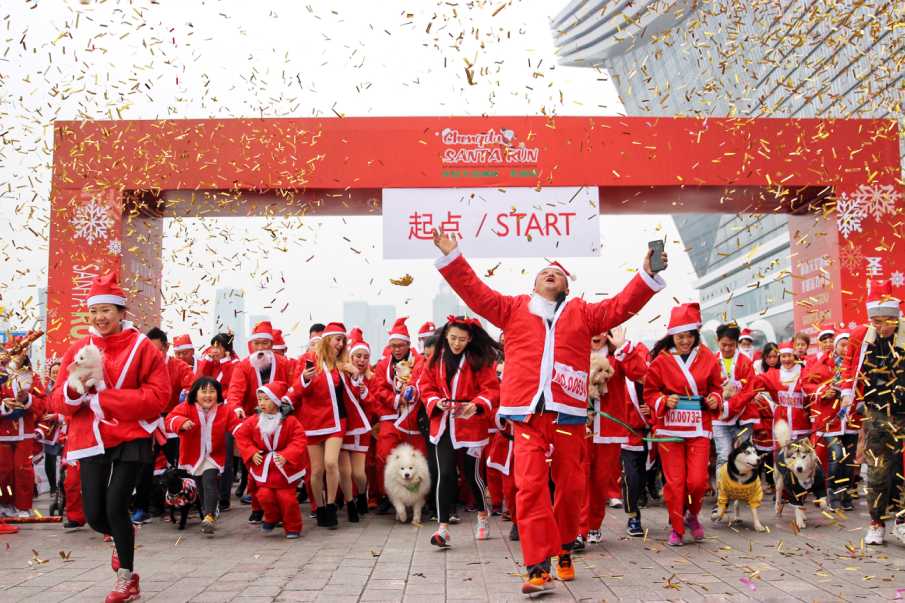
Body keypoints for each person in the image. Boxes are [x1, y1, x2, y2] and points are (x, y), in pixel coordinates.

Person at [431, 226, 666, 594]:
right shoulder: (512, 308)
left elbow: (621, 305)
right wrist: (453, 257)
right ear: (534, 285)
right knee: (529, 487)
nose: (549, 273)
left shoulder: (584, 313)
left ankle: (566, 547)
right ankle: (538, 566)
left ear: (566, 285)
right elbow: (476, 294)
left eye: (556, 272)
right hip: (525, 416)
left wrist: (647, 275)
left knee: (571, 488)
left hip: (569, 416)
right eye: (543, 272)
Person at [51, 273, 170, 603]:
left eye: (107, 310)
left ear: (121, 312)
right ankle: (124, 536)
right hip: (91, 438)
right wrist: (78, 390)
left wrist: (106, 399)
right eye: (94, 311)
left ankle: (126, 579)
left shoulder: (142, 347)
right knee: (93, 515)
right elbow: (58, 402)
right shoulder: (79, 348)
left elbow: (159, 395)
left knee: (117, 505)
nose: (100, 317)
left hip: (131, 435)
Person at [410, 316, 501, 547]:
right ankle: (443, 529)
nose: (457, 343)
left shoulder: (478, 359)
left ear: (470, 338)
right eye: (452, 338)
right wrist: (434, 401)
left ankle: (482, 516)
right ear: (446, 336)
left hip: (470, 423)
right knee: (445, 474)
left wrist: (478, 403)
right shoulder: (435, 361)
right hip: (443, 423)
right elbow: (425, 386)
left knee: (472, 475)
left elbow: (491, 389)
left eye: (462, 339)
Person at [644, 303, 723, 546]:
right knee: (675, 482)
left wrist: (714, 398)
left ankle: (692, 514)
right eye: (680, 336)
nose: (685, 341)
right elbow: (649, 392)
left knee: (697, 481)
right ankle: (677, 529)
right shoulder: (661, 359)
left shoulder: (707, 356)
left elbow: (717, 388)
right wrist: (664, 400)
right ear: (672, 336)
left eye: (690, 336)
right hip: (670, 429)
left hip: (698, 427)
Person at [286, 322, 370, 528]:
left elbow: (352, 396)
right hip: (312, 422)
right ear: (327, 340)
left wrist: (355, 375)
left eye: (343, 340)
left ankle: (331, 505)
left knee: (331, 463)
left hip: (337, 421)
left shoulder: (342, 364)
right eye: (337, 339)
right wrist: (304, 380)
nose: (341, 344)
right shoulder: (307, 362)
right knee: (316, 470)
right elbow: (296, 392)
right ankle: (320, 507)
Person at [840, 280, 904, 545]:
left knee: (903, 469)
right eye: (877, 321)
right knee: (877, 473)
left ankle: (901, 520)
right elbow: (848, 365)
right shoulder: (860, 335)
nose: (884, 326)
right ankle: (876, 523)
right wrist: (846, 396)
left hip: (903, 413)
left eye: (889, 320)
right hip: (875, 414)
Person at [583, 327, 648, 542]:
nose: (597, 335)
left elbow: (639, 373)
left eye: (602, 330)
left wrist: (624, 348)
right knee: (579, 479)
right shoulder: (574, 353)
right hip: (579, 428)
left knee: (600, 481)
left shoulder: (617, 357)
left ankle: (593, 526)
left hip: (609, 430)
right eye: (593, 329)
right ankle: (579, 530)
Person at [227, 322, 293, 522]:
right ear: (251, 344)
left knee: (278, 467)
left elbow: (294, 386)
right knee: (254, 467)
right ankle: (257, 507)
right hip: (253, 421)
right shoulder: (244, 365)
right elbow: (235, 391)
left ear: (272, 345)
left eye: (265, 343)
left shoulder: (284, 363)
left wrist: (288, 404)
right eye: (256, 343)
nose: (261, 348)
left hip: (280, 421)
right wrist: (236, 408)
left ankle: (278, 508)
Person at [132, 327, 197, 524]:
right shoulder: (140, 368)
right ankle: (143, 508)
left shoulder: (180, 367)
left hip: (173, 423)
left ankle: (187, 503)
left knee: (181, 466)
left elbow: (192, 391)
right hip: (148, 423)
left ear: (166, 347)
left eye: (157, 350)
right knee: (144, 467)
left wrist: (178, 411)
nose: (152, 355)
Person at [167, 377, 243, 534]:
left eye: (212, 391)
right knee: (200, 485)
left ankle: (209, 515)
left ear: (218, 394)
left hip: (214, 454)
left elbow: (235, 426)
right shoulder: (186, 407)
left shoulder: (225, 410)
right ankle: (209, 510)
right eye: (203, 391)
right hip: (193, 455)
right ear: (195, 394)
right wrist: (181, 422)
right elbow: (171, 418)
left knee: (209, 482)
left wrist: (246, 430)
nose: (208, 395)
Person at [235, 382, 308, 539]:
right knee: (264, 496)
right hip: (264, 465)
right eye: (259, 399)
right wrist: (252, 452)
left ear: (276, 400)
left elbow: (299, 439)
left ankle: (293, 526)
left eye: (266, 399)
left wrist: (288, 454)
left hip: (283, 466)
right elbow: (242, 435)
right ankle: (272, 517)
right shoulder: (254, 420)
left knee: (287, 499)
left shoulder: (290, 421)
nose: (262, 403)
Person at [372, 317, 426, 515]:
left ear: (409, 345)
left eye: (400, 346)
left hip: (413, 418)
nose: (396, 349)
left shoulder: (419, 361)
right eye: (393, 346)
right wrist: (397, 399)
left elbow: (424, 382)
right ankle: (388, 494)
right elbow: (378, 389)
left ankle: (421, 495)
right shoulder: (382, 365)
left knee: (419, 456)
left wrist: (410, 396)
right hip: (391, 417)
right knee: (383, 454)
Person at [803, 326, 854, 511]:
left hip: (851, 418)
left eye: (831, 339)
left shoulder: (856, 362)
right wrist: (824, 391)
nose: (844, 348)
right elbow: (806, 383)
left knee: (849, 458)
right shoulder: (822, 361)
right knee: (835, 456)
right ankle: (829, 491)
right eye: (842, 344)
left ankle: (846, 492)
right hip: (829, 418)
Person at [710, 324, 756, 518]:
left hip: (742, 417)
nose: (727, 348)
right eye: (723, 344)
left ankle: (742, 493)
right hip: (719, 419)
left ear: (737, 343)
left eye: (731, 345)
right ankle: (722, 499)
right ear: (717, 342)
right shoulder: (712, 361)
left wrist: (729, 407)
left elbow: (749, 391)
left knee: (744, 457)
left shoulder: (746, 362)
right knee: (723, 456)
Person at [0, 338, 46, 519]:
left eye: (21, 353)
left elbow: (43, 404)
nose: (17, 357)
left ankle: (24, 507)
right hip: (2, 432)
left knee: (23, 470)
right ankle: (5, 504)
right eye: (14, 353)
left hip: (25, 432)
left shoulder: (33, 377)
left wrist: (27, 399)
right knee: (4, 471)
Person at [342, 331, 378, 518]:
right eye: (358, 356)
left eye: (365, 356)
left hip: (363, 430)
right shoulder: (341, 375)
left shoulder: (372, 379)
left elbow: (375, 407)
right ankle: (350, 503)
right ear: (351, 357)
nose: (361, 360)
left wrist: (364, 393)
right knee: (344, 470)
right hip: (343, 428)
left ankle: (363, 495)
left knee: (360, 471)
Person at [754, 341, 809, 440]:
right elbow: (752, 382)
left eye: (790, 356)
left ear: (795, 357)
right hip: (782, 426)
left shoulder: (806, 374)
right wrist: (753, 395)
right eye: (783, 356)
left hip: (802, 424)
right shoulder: (773, 375)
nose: (787, 359)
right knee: (781, 454)